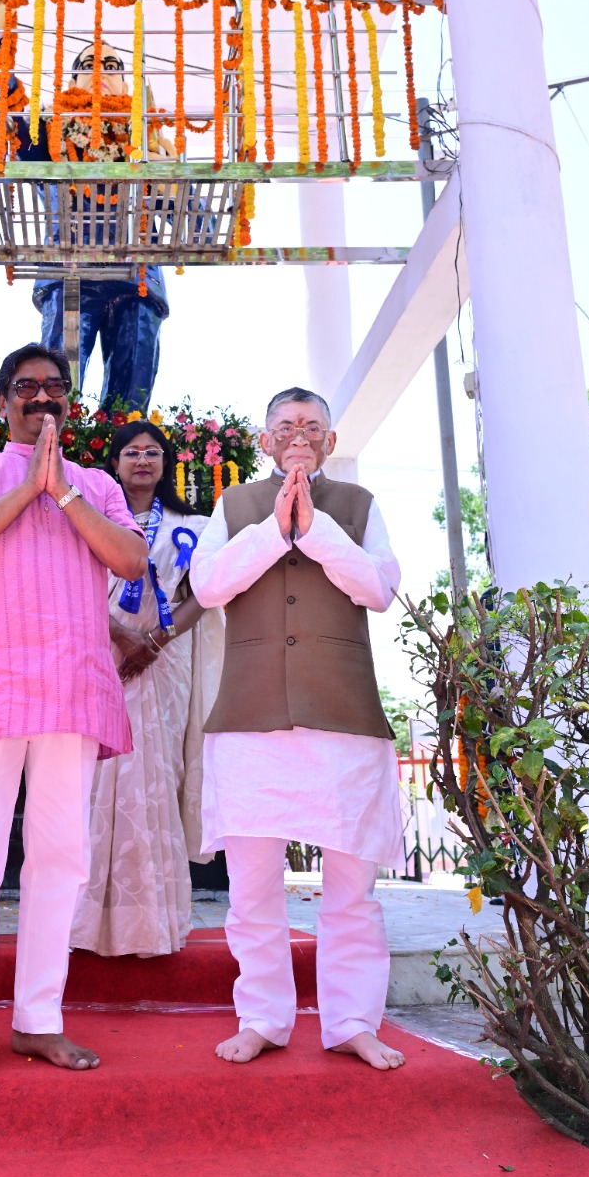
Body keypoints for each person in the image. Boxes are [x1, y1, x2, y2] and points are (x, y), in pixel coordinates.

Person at [0, 343, 148, 1082]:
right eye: (26, 386)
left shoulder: (97, 484)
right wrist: (27, 488)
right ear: (3, 403)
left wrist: (64, 493)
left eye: (54, 387)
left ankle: (37, 1020)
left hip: (70, 689)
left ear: (70, 404)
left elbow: (131, 561)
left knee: (60, 861)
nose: (42, 397)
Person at [190, 387, 407, 1072]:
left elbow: (379, 589)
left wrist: (316, 530)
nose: (299, 436)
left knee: (351, 890)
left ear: (331, 441)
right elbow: (208, 587)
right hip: (250, 717)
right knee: (253, 889)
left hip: (342, 715)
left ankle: (352, 1022)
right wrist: (273, 529)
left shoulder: (359, 505)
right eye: (285, 426)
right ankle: (262, 1017)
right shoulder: (235, 506)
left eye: (312, 426)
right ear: (265, 440)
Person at [0, 0, 171, 414]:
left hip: (138, 281)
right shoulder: (51, 130)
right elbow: (1, 123)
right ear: (71, 82)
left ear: (127, 81)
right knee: (52, 397)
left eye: (111, 66)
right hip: (68, 273)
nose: (98, 71)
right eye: (87, 66)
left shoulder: (148, 140)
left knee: (131, 406)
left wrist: (170, 179)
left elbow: (200, 222)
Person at [71, 421, 224, 958]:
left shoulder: (194, 526)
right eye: (131, 452)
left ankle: (150, 922)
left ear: (166, 464)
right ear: (114, 463)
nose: (142, 460)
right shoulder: (89, 518)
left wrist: (156, 639)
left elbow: (204, 592)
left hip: (165, 661)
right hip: (98, 654)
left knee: (155, 776)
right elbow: (72, 584)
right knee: (95, 778)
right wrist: (120, 636)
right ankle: (84, 921)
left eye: (152, 452)